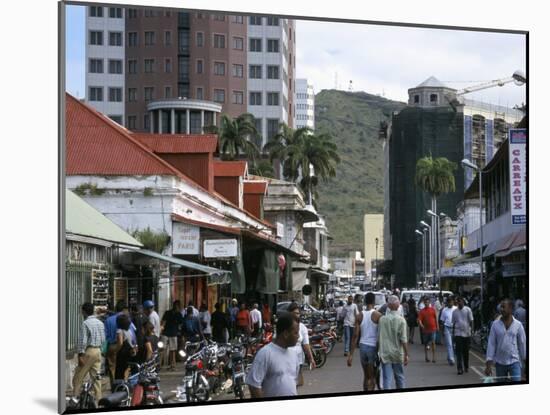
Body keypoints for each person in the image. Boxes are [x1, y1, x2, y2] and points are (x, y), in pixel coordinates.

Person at [245, 312, 300, 398]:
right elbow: (254, 385)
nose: (298, 336)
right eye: (296, 333)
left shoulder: (294, 354)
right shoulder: (265, 353)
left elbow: (294, 381)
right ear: (285, 334)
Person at [347, 292, 382, 391]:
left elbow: (355, 336)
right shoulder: (378, 315)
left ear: (365, 302)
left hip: (363, 347)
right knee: (372, 376)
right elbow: (381, 335)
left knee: (366, 376)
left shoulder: (359, 316)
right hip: (373, 347)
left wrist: (351, 355)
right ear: (374, 301)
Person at [485, 298, 526, 382]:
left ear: (511, 309)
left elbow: (522, 344)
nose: (501, 309)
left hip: (515, 362)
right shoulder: (495, 325)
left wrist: (525, 362)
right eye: (501, 307)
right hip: (500, 363)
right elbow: (491, 344)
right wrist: (488, 364)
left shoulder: (518, 325)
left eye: (503, 307)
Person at [72, 303, 105, 401]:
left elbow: (83, 341)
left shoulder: (85, 323)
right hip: (98, 351)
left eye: (82, 311)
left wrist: (80, 355)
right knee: (96, 379)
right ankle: (99, 401)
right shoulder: (100, 323)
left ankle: (75, 398)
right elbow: (103, 339)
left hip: (89, 351)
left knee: (78, 377)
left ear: (84, 311)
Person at [377, 295, 409, 389]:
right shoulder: (401, 320)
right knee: (399, 377)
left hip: (385, 353)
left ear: (388, 306)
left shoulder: (382, 320)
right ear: (398, 305)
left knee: (387, 378)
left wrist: (377, 351)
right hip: (397, 353)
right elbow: (403, 339)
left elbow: (379, 337)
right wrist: (407, 354)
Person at [104, 301, 136, 387]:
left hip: (112, 346)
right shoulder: (127, 319)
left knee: (112, 368)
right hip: (124, 347)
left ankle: (114, 386)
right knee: (124, 368)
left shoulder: (108, 320)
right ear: (124, 309)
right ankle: (123, 385)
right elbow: (133, 334)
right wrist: (134, 346)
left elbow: (105, 336)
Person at [287, 303, 316, 386]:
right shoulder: (284, 325)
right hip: (286, 357)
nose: (297, 315)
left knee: (297, 383)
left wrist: (311, 359)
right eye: (295, 313)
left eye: (298, 313)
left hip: (298, 358)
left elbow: (306, 344)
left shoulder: (302, 327)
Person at [452, 296, 474, 375]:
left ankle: (466, 366)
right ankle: (459, 368)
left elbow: (471, 321)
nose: (459, 303)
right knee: (459, 352)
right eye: (458, 302)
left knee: (466, 352)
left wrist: (472, 331)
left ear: (463, 302)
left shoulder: (468, 310)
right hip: (458, 334)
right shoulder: (455, 312)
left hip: (467, 333)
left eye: (460, 302)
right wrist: (453, 334)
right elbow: (454, 323)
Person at [161, 300, 184, 371]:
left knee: (173, 350)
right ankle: (159, 364)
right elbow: (163, 322)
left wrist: (179, 331)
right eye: (176, 305)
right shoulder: (168, 313)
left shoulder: (179, 314)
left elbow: (181, 324)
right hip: (166, 333)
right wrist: (161, 329)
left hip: (173, 334)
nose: (177, 307)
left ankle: (172, 365)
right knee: (162, 349)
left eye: (178, 306)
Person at [114, 313, 138, 380]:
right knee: (126, 369)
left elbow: (120, 343)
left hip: (122, 354)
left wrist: (115, 351)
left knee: (119, 371)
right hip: (129, 353)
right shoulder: (129, 331)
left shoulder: (119, 331)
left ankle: (119, 386)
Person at [417, 296, 439, 363]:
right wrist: (421, 325)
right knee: (426, 344)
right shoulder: (422, 311)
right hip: (425, 330)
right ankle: (426, 357)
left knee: (433, 343)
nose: (426, 303)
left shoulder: (433, 310)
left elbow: (436, 319)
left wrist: (437, 326)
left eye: (427, 302)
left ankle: (434, 357)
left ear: (429, 302)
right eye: (425, 302)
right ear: (424, 303)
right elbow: (419, 320)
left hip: (433, 329)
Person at [439, 296, 457, 366]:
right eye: (449, 302)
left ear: (453, 302)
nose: (450, 303)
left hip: (455, 328)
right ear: (447, 303)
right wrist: (442, 330)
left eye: (451, 302)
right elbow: (442, 321)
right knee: (449, 344)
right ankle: (452, 359)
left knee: (453, 345)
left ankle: (449, 356)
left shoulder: (456, 309)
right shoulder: (444, 310)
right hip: (447, 328)